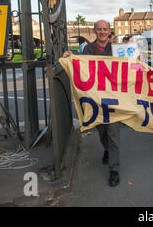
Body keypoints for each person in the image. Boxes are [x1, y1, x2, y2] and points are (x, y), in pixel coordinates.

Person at [62, 20, 121, 187]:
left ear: (109, 31)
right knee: (102, 130)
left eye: (105, 29)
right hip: (96, 99)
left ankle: (114, 169)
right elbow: (78, 65)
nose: (102, 32)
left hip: (115, 98)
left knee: (113, 132)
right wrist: (69, 57)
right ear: (95, 31)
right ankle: (107, 149)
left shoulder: (117, 49)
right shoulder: (88, 49)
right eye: (99, 29)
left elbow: (130, 67)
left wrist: (136, 59)